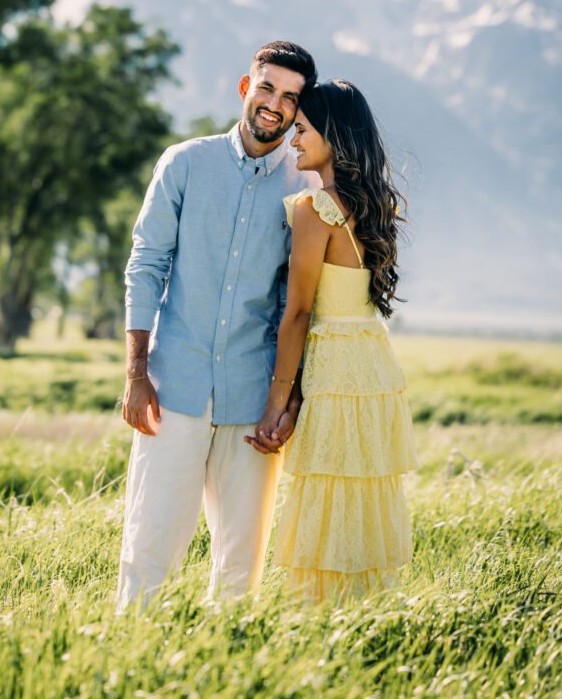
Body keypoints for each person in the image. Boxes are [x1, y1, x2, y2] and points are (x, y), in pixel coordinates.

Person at [117, 41, 318, 611]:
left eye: (289, 97)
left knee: (239, 565)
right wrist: (136, 373)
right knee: (147, 547)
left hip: (253, 399)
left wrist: (289, 398)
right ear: (244, 88)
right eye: (267, 88)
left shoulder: (304, 192)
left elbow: (297, 306)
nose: (274, 104)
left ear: (298, 111)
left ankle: (223, 667)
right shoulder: (184, 163)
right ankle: (126, 659)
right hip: (172, 387)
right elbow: (146, 264)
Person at [248, 79, 418, 606]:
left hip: (336, 367)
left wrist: (277, 403)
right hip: (372, 363)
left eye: (301, 130)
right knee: (360, 493)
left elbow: (298, 313)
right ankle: (363, 611)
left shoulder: (314, 207)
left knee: (326, 491)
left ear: (332, 135)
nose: (294, 141)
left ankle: (320, 615)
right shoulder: (373, 204)